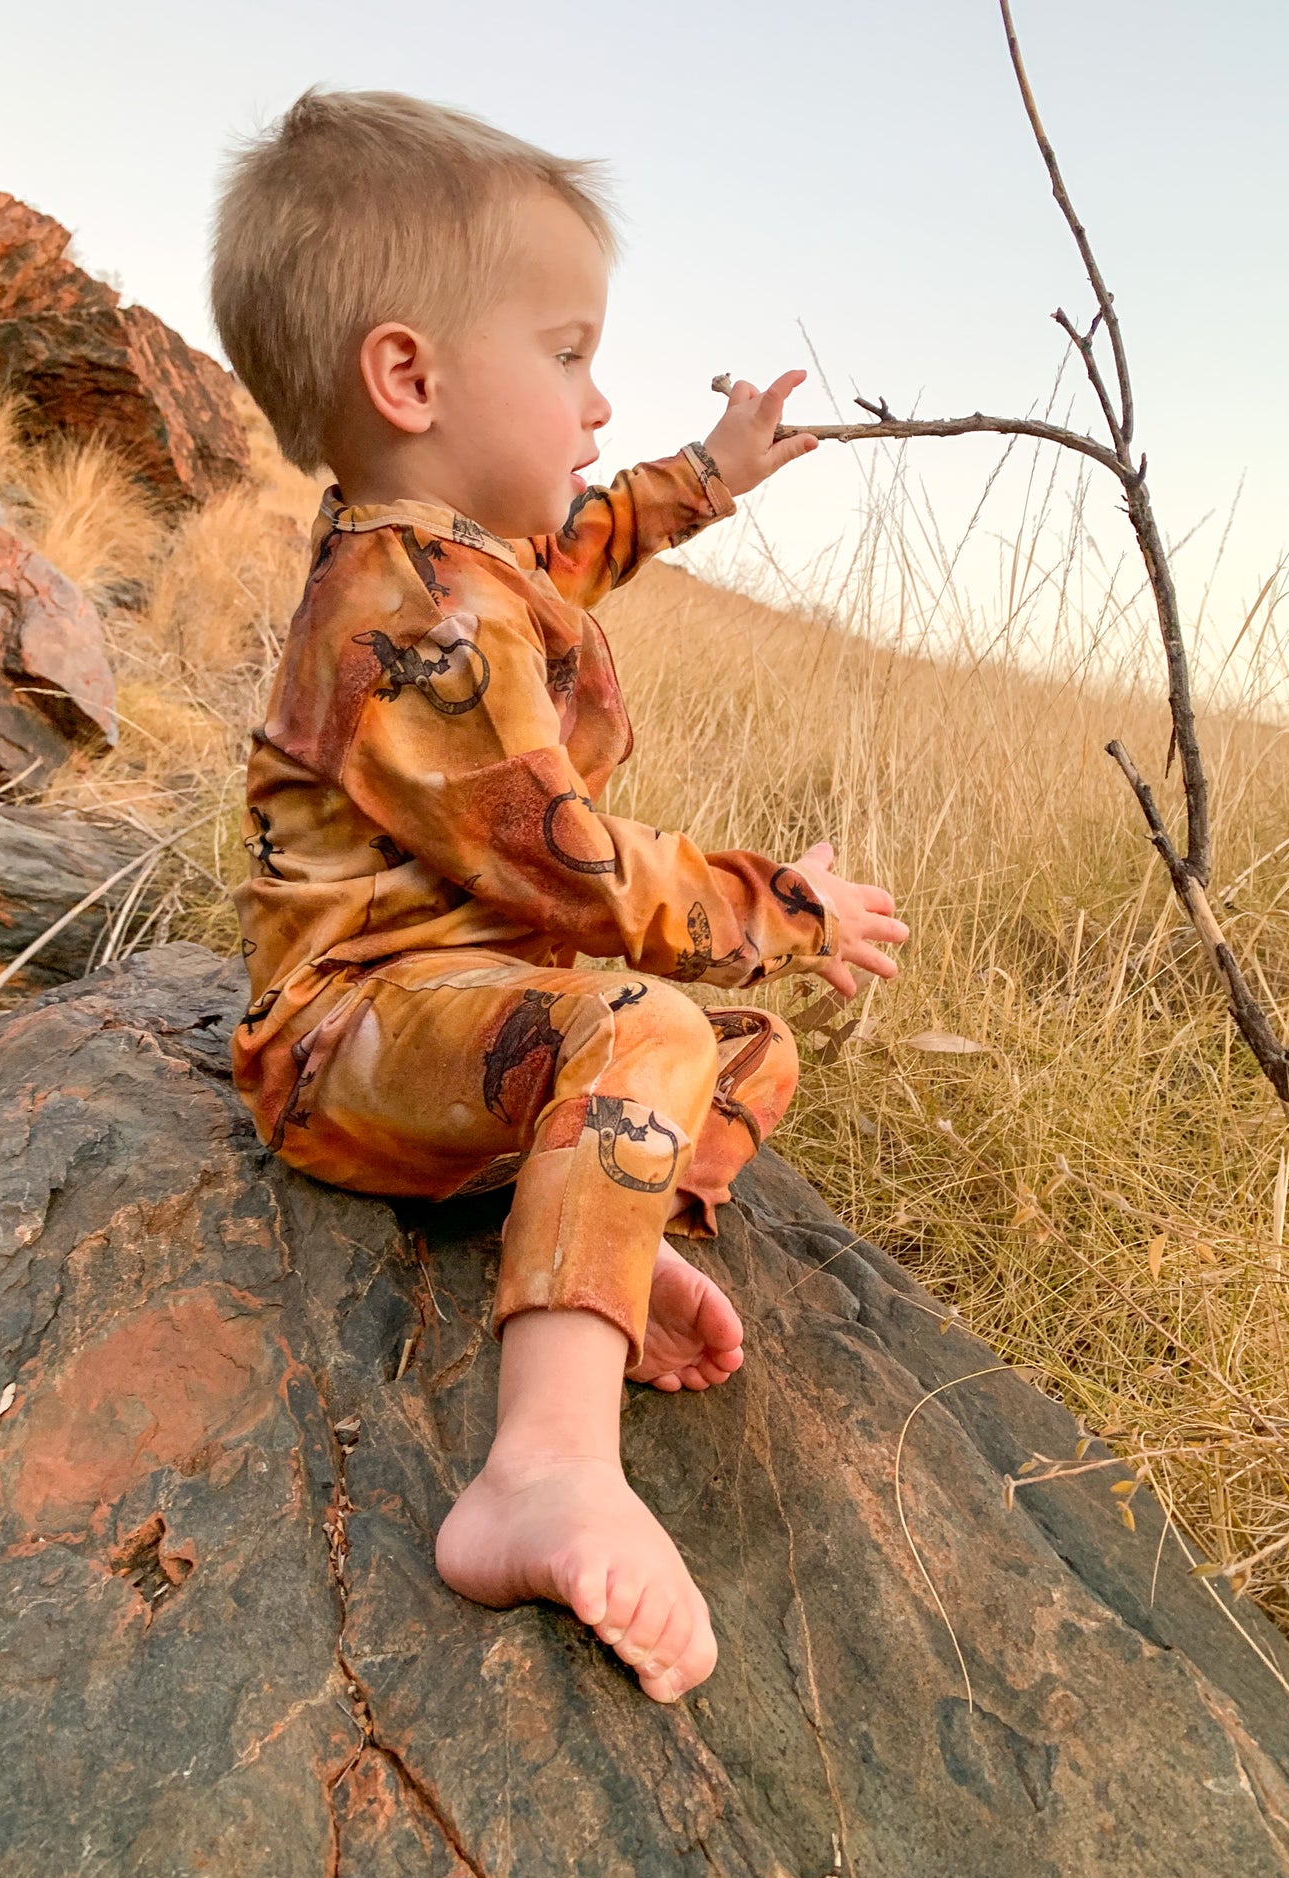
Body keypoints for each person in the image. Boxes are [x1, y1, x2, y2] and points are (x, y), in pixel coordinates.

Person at [212, 89, 908, 1705]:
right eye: (570, 352)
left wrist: (705, 474)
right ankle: (540, 1470)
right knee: (654, 1024)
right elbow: (570, 869)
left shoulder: (462, 556)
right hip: (351, 1036)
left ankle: (598, 1237)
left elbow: (575, 547)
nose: (599, 402)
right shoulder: (404, 613)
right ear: (411, 376)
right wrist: (782, 906)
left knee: (738, 1054)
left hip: (470, 1032)